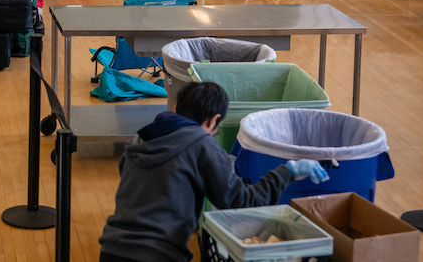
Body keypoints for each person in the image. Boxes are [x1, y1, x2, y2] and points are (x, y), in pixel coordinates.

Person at [98, 82, 329, 262]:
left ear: (177, 109)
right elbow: (242, 201)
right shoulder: (201, 145)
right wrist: (287, 171)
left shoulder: (138, 141)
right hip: (159, 255)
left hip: (111, 248)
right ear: (213, 120)